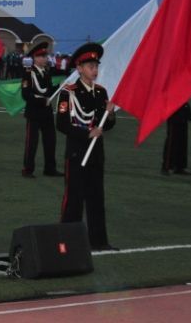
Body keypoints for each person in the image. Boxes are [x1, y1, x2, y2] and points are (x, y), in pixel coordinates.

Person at [57, 43, 117, 251]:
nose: (95, 70)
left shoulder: (101, 92)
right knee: (73, 200)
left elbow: (107, 125)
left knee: (96, 198)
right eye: (90, 66)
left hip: (96, 153)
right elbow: (62, 124)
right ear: (79, 68)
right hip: (76, 153)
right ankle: (65, 243)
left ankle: (99, 241)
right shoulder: (69, 93)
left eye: (96, 66)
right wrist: (86, 133)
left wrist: (109, 114)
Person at [21, 42, 61, 178]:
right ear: (35, 58)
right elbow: (26, 94)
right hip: (34, 113)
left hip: (47, 113)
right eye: (41, 56)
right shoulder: (28, 73)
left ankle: (50, 169)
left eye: (45, 56)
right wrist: (43, 100)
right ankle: (27, 169)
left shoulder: (46, 72)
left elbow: (48, 90)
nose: (45, 59)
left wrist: (60, 87)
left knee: (50, 141)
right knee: (32, 143)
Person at [162, 100, 191, 175]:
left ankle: (180, 167)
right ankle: (166, 167)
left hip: (183, 118)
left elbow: (185, 101)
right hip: (174, 118)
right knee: (171, 143)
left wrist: (189, 115)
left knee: (182, 143)